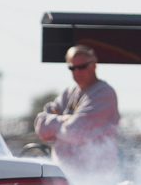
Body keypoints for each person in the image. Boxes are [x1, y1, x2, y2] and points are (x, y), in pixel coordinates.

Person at [34, 45, 120, 174]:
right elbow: (40, 127)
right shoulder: (68, 93)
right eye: (72, 68)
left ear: (94, 65)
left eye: (82, 67)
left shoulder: (104, 93)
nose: (77, 72)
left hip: (94, 176)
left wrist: (54, 123)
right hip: (63, 175)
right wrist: (63, 119)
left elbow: (75, 131)